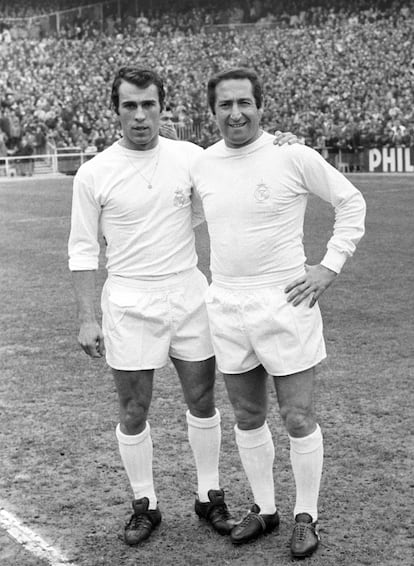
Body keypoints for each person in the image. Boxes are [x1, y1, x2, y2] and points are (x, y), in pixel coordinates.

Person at [68, 66, 297, 547]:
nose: (140, 115)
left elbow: (239, 166)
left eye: (148, 104)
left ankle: (208, 494)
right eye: (129, 105)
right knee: (134, 409)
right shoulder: (94, 173)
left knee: (202, 401)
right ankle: (144, 503)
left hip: (190, 295)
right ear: (117, 111)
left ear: (162, 107)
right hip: (129, 299)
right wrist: (89, 317)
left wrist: (281, 143)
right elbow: (83, 250)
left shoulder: (190, 158)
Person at [191, 68, 366, 559]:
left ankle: (305, 517)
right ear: (213, 111)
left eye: (244, 102)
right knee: (248, 415)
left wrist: (328, 268)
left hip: (285, 301)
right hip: (226, 303)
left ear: (262, 106)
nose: (235, 113)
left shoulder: (292, 154)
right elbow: (180, 215)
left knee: (297, 415)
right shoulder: (202, 163)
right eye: (225, 104)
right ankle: (265, 509)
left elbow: (351, 203)